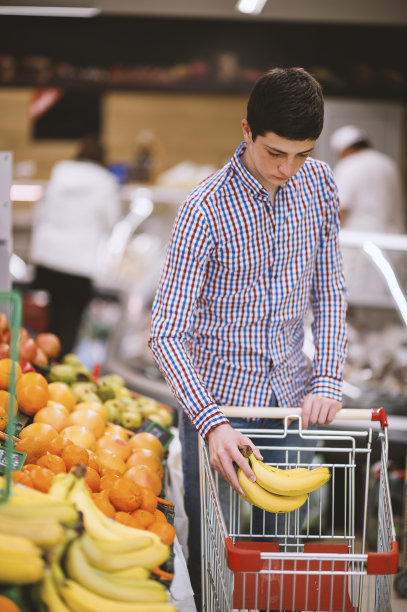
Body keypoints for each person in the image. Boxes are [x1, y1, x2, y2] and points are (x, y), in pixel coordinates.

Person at [149, 67, 348, 609]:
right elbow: (166, 333)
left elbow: (327, 288)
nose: (288, 169)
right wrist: (210, 423)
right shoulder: (203, 211)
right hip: (219, 416)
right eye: (275, 153)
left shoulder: (319, 184)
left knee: (281, 562)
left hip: (291, 408)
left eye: (302, 154)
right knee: (216, 564)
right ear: (246, 132)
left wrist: (328, 374)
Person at [30, 134, 121, 356]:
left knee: (49, 323)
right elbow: (112, 220)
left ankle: (39, 372)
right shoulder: (106, 182)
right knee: (69, 326)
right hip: (79, 264)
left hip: (48, 258)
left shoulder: (59, 172)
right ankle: (58, 379)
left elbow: (41, 212)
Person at [330, 124, 405, 233]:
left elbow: (339, 209)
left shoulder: (348, 165)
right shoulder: (389, 163)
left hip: (360, 239)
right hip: (393, 238)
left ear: (344, 150)